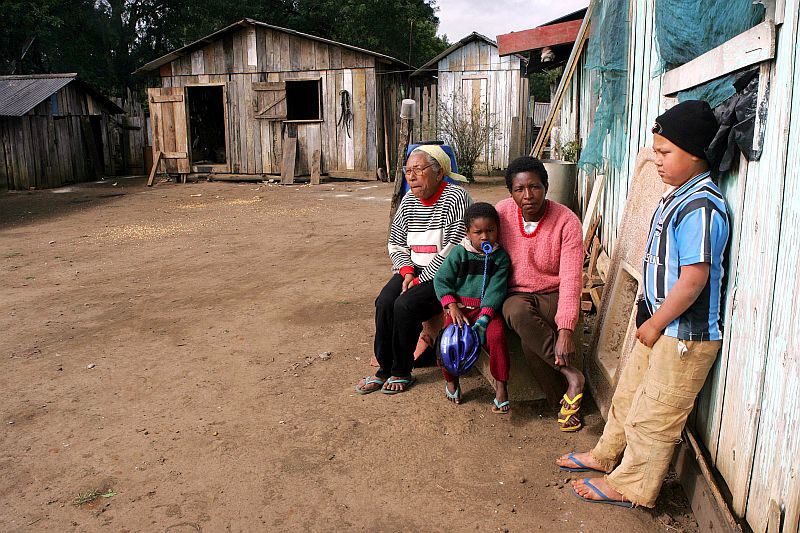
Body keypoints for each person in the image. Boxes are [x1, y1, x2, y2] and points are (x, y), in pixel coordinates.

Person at [557, 100, 730, 508]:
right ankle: (605, 455)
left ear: (696, 152)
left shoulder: (702, 206)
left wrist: (656, 323)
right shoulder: (678, 195)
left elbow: (693, 280)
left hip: (684, 336)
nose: (657, 159)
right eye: (656, 151)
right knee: (629, 394)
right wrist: (648, 314)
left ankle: (634, 485)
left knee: (657, 414)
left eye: (665, 152)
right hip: (660, 324)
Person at [355, 145, 473, 394]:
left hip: (445, 275)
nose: (411, 176)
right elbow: (396, 241)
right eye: (408, 170)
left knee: (405, 305)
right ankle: (384, 369)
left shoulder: (455, 197)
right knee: (385, 301)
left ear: (439, 172)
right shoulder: (408, 200)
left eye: (419, 169)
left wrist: (421, 279)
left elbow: (454, 247)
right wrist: (407, 271)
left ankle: (401, 370)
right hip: (413, 269)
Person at [496, 157, 585, 430]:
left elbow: (571, 278)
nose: (528, 195)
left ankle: (563, 401)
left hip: (553, 294)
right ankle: (571, 378)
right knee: (515, 311)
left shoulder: (566, 221)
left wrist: (566, 330)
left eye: (534, 187)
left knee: (529, 342)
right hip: (517, 295)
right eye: (519, 189)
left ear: (546, 187)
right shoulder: (501, 214)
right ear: (510, 192)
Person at [433, 202, 512, 412]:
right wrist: (451, 305)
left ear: (498, 230)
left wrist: (485, 317)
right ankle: (451, 381)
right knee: (448, 341)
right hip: (459, 309)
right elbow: (441, 280)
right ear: (468, 233)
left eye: (491, 230)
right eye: (478, 232)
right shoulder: (459, 253)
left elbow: (496, 289)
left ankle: (501, 386)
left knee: (496, 337)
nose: (485, 237)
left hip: (486, 311)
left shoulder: (500, 258)